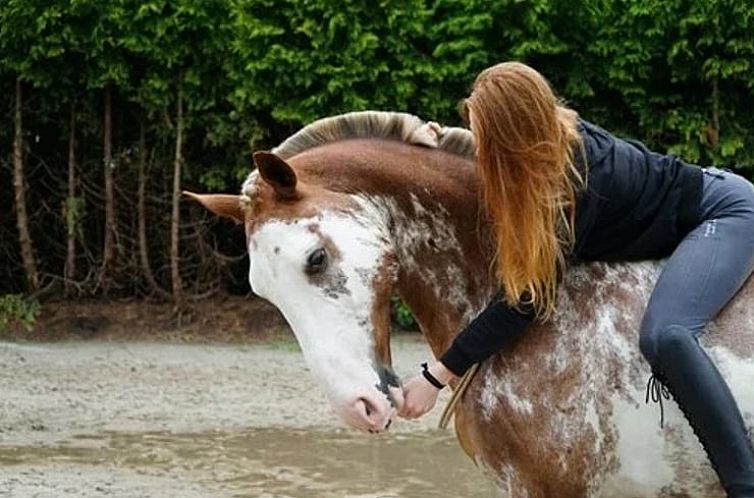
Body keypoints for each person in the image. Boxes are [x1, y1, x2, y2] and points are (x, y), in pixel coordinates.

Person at [397, 61, 754, 497]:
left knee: (667, 334)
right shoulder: (547, 143)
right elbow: (478, 160)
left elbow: (525, 301)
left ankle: (744, 484)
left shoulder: (579, 184)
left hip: (724, 213)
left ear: (512, 137)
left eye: (483, 136)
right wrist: (426, 146)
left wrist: (437, 377)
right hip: (694, 213)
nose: (480, 150)